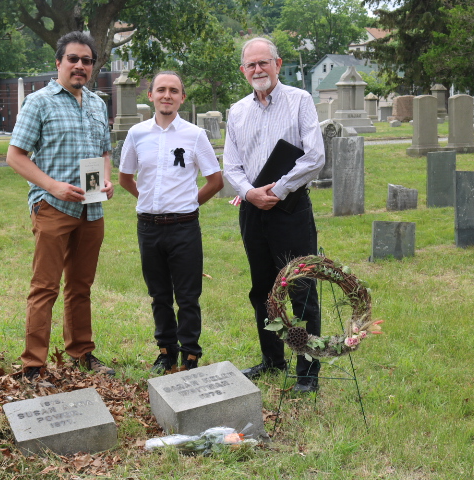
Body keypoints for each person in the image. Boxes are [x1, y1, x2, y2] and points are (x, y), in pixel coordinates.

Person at [6, 31, 115, 381]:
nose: (80, 65)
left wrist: (107, 180)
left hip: (91, 209)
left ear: (93, 66)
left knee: (80, 286)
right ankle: (33, 365)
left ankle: (81, 352)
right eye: (73, 59)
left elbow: (105, 151)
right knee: (45, 288)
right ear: (58, 62)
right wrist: (53, 187)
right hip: (52, 206)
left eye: (87, 60)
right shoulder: (39, 102)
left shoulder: (97, 104)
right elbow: (15, 156)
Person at [223, 37, 325, 393]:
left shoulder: (300, 101)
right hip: (253, 212)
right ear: (243, 70)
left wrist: (278, 190)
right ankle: (272, 360)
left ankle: (307, 372)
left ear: (277, 64)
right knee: (262, 290)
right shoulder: (237, 111)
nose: (257, 70)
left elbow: (314, 156)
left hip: (291, 210)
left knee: (301, 289)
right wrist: (249, 193)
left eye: (263, 62)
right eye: (251, 65)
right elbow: (231, 166)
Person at [119, 71, 223, 373]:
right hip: (149, 228)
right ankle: (166, 352)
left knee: (188, 296)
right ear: (150, 95)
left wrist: (188, 203)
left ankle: (190, 354)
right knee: (159, 295)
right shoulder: (137, 134)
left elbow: (215, 181)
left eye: (174, 91)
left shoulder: (195, 135)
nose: (167, 95)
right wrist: (149, 201)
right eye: (161, 90)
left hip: (184, 228)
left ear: (182, 98)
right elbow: (125, 178)